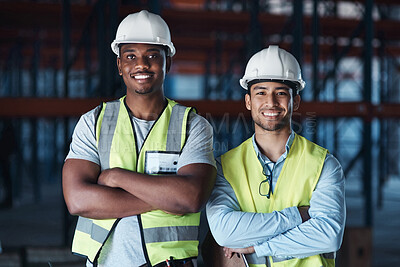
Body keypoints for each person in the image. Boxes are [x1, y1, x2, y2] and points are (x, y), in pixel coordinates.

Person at [62, 10, 216, 267]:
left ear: (169, 61)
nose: (141, 65)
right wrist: (167, 198)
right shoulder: (94, 122)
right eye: (130, 56)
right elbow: (78, 200)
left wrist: (115, 177)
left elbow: (191, 197)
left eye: (152, 56)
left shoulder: (193, 126)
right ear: (120, 65)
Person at [205, 45, 346, 267]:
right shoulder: (225, 166)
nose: (271, 102)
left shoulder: (324, 164)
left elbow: (328, 235)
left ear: (295, 102)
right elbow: (225, 233)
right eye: (261, 92)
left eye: (281, 93)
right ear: (248, 101)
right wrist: (299, 216)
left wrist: (258, 248)